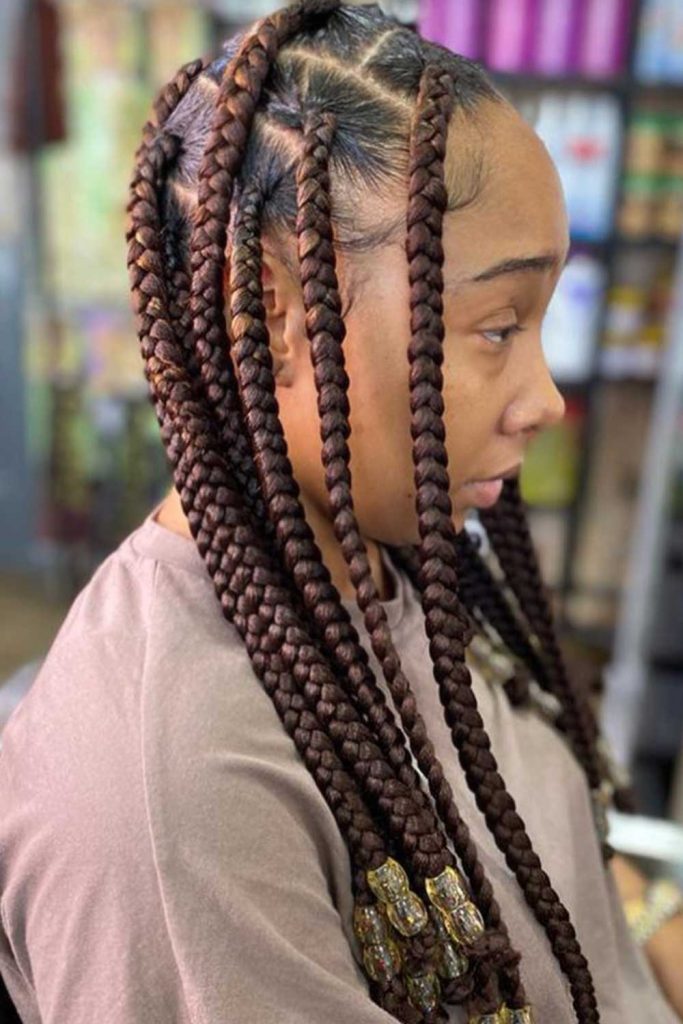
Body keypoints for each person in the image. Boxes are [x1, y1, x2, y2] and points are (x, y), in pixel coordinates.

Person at [0, 2, 681, 1022]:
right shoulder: (175, 795)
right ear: (274, 311)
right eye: (496, 327)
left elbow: (563, 843)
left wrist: (648, 924)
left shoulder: (410, 553)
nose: (543, 398)